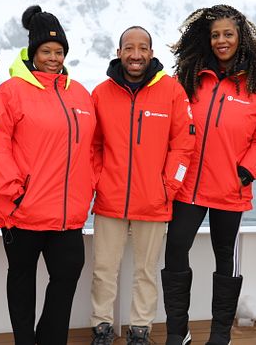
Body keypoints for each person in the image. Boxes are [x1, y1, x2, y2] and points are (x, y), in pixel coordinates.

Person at [162, 4, 256, 345]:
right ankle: (178, 332)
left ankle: (219, 335)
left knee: (225, 258)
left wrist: (247, 172)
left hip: (231, 187)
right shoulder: (190, 78)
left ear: (241, 37)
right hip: (189, 187)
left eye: (228, 34)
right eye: (215, 35)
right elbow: (173, 127)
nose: (221, 41)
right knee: (175, 250)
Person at [0, 5, 96, 345]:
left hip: (67, 214)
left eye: (59, 52)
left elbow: (92, 148)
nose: (54, 57)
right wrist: (16, 190)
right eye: (46, 51)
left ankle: (50, 339)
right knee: (22, 280)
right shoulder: (12, 91)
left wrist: (90, 185)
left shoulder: (79, 93)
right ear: (33, 53)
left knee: (67, 274)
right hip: (22, 210)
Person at [89, 26, 194, 345]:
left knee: (146, 272)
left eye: (143, 48)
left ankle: (140, 329)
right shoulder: (101, 93)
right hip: (110, 200)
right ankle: (102, 327)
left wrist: (168, 187)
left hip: (154, 200)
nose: (136, 55)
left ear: (151, 52)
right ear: (119, 51)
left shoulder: (172, 91)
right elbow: (92, 146)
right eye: (129, 48)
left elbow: (184, 146)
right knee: (104, 270)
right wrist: (98, 181)